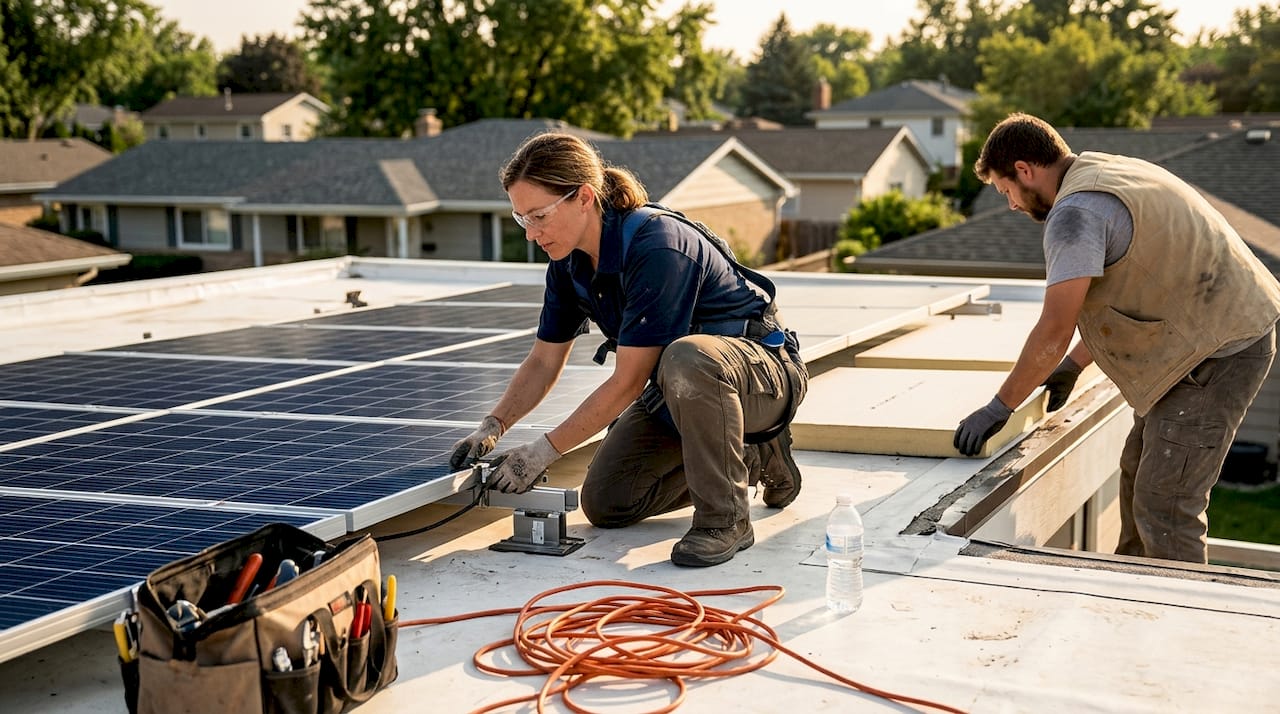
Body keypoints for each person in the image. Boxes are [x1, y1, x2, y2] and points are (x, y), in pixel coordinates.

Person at [448, 132, 808, 567]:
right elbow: (544, 360)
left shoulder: (658, 246)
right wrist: (494, 424)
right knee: (607, 502)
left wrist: (541, 451)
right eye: (522, 219)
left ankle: (724, 520)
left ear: (583, 197)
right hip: (685, 392)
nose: (532, 234)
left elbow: (628, 382)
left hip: (761, 378)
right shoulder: (567, 265)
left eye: (540, 216)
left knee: (687, 356)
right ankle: (748, 456)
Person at [953, 112, 1280, 564]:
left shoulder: (1075, 215)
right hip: (1205, 335)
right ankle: (1133, 588)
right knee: (1138, 471)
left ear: (1024, 170)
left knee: (1165, 504)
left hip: (1220, 349)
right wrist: (1073, 365)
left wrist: (1000, 407)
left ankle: (1175, 620)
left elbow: (1054, 327)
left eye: (1006, 190)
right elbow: (1133, 299)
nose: (1010, 204)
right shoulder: (1105, 171)